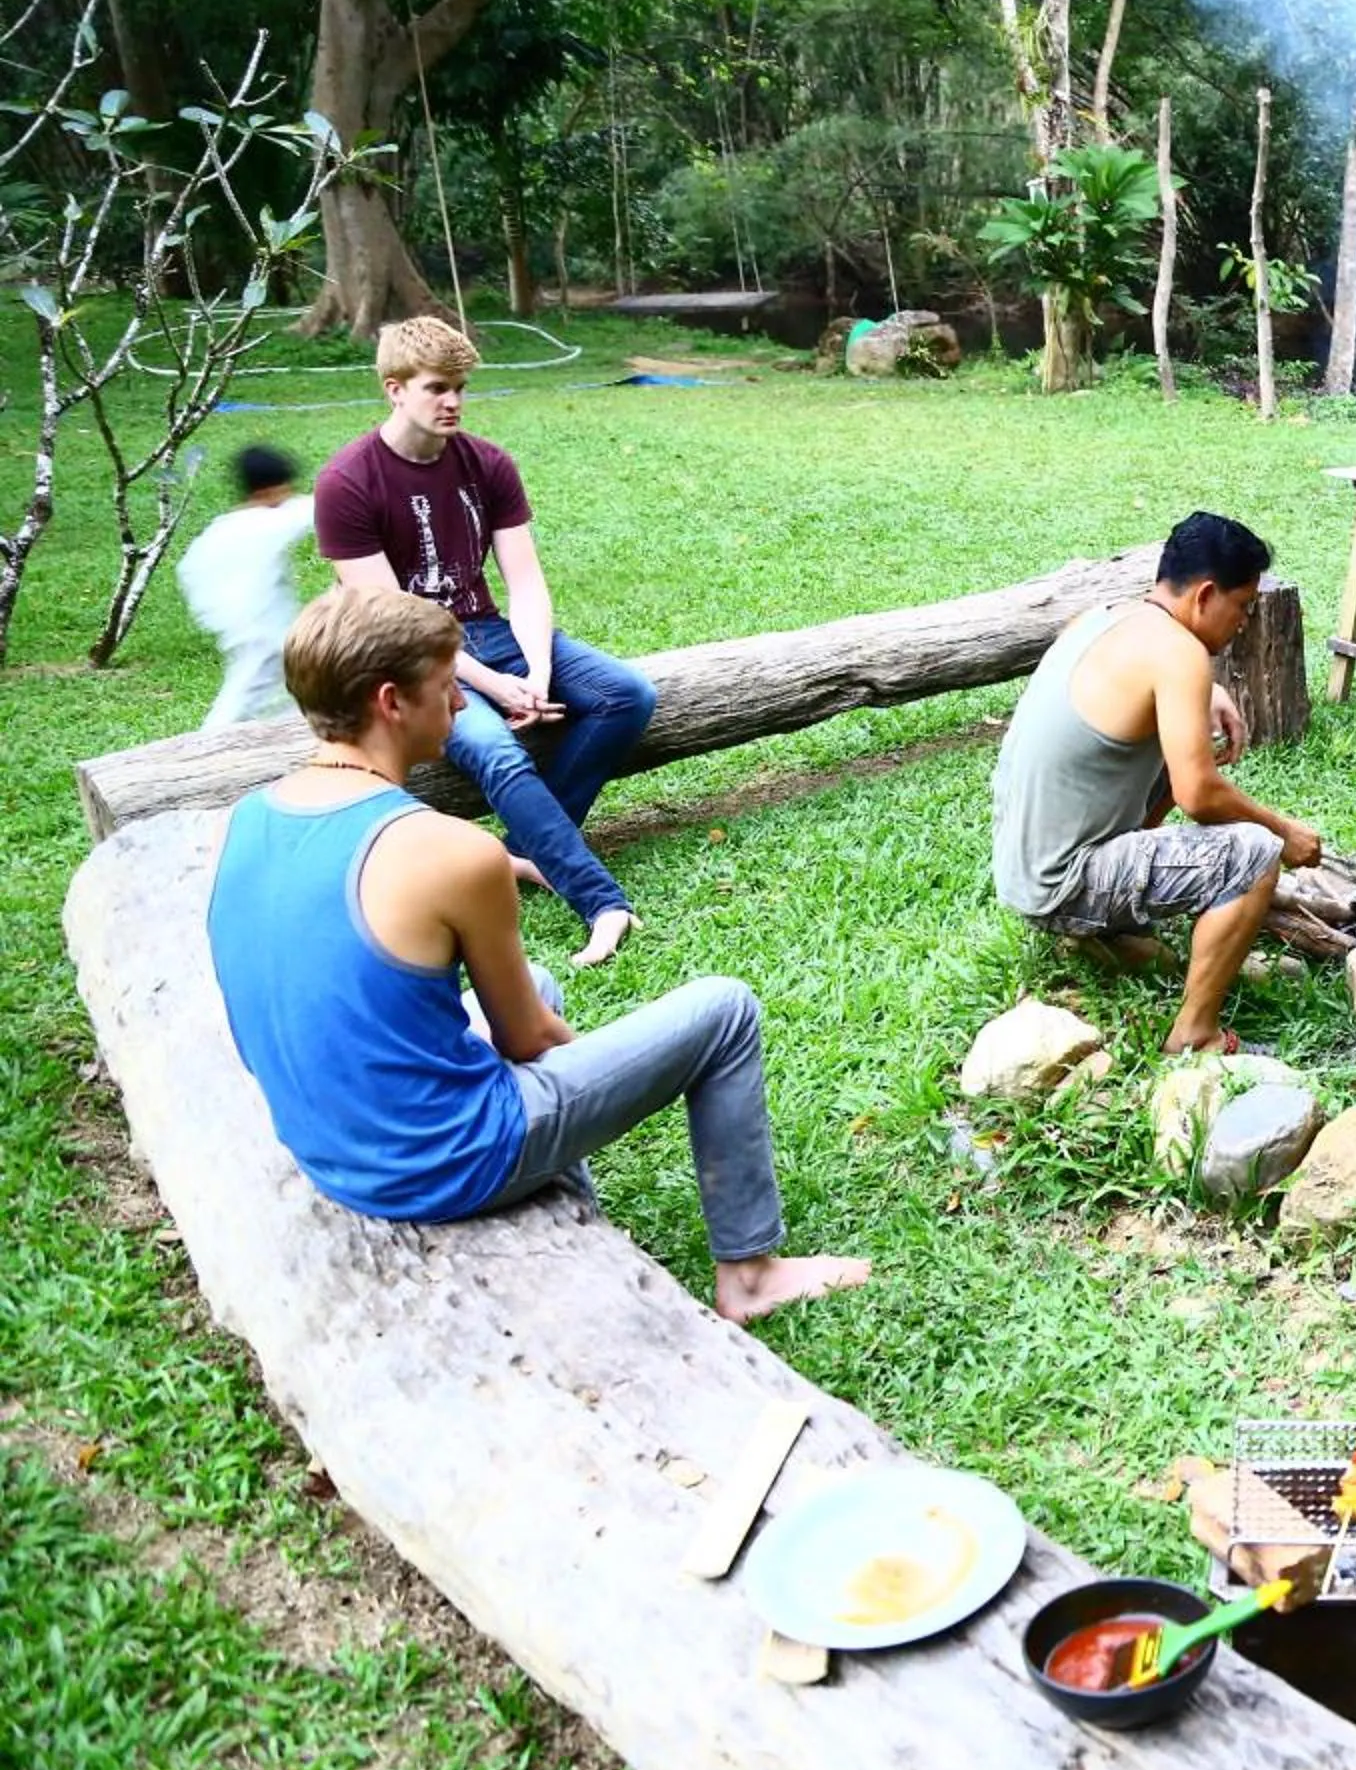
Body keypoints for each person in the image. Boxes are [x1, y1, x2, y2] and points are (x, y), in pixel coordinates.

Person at [205, 587, 869, 1325]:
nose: (460, 704)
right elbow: (532, 1042)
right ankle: (751, 1274)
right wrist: (617, 1077)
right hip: (435, 1162)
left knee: (541, 980)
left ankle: (572, 1214)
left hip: (331, 1149)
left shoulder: (248, 817)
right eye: (447, 684)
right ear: (392, 702)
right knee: (723, 1013)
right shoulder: (455, 851)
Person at [318, 318, 655, 968]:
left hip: (491, 633)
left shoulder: (488, 463)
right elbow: (396, 620)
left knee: (625, 694)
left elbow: (525, 582)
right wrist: (490, 685)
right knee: (497, 750)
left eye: (461, 388)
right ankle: (601, 901)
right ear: (394, 389)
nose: (453, 402)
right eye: (437, 388)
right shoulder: (347, 483)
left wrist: (532, 666)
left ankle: (516, 851)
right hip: (410, 655)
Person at [991, 513, 1325, 1056]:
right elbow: (1199, 796)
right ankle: (1195, 1033)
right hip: (1062, 882)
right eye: (1242, 607)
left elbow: (1129, 687)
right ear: (1206, 595)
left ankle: (1111, 931)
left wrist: (1208, 694)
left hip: (1022, 868)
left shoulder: (1102, 618)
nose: (1243, 622)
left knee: (1183, 752)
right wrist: (1283, 831)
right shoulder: (1180, 654)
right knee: (1257, 853)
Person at [177, 443, 316, 731]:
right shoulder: (267, 522)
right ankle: (204, 750)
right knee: (243, 698)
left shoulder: (222, 528)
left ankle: (291, 736)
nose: (288, 494)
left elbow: (188, 569)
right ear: (267, 491)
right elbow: (316, 508)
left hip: (246, 626)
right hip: (262, 631)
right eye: (285, 488)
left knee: (295, 691)